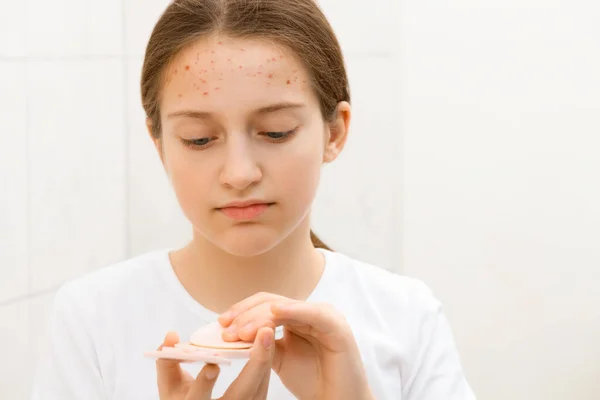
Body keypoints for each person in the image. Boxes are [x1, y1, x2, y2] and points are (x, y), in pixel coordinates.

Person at [31, 0, 476, 398]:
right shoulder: (92, 319)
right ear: (159, 140)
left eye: (276, 132)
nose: (240, 173)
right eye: (200, 139)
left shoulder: (406, 317)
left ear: (335, 131)